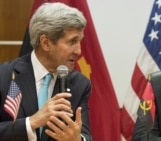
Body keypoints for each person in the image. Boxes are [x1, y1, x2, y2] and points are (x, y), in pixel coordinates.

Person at [0, 2, 92, 141]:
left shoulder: (80, 84)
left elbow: (85, 135)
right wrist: (30, 123)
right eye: (72, 42)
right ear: (46, 43)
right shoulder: (4, 76)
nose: (78, 51)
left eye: (80, 41)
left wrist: (77, 139)